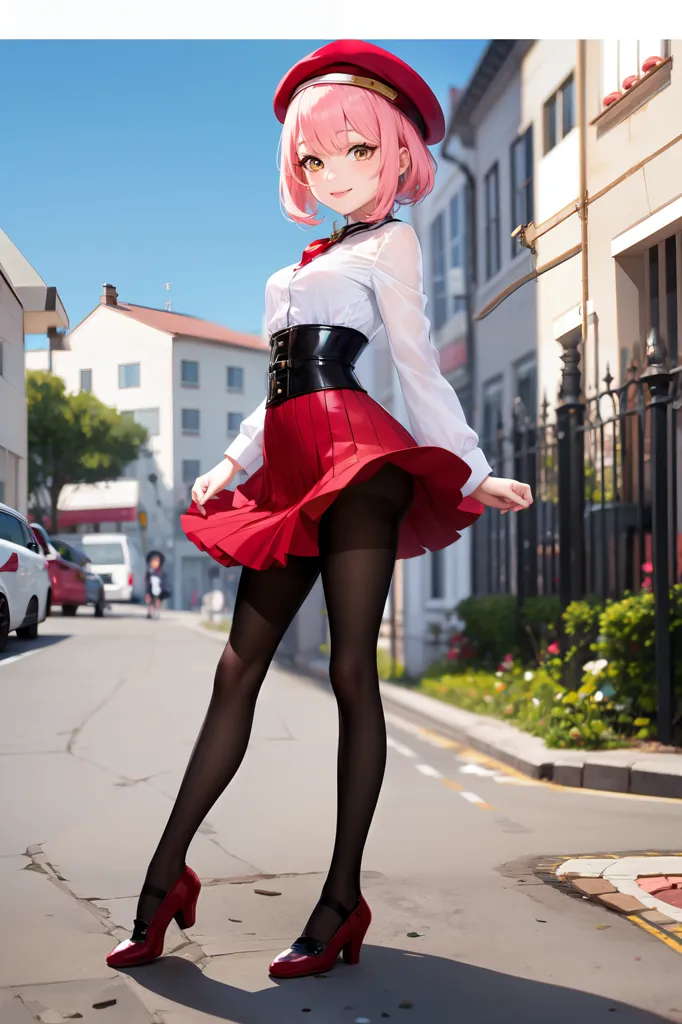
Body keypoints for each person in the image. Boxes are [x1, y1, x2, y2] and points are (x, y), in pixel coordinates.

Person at [106, 39, 533, 978]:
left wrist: (469, 468)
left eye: (358, 152)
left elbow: (414, 367)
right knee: (235, 671)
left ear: (397, 153)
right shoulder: (298, 266)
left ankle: (340, 900)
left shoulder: (394, 242)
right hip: (295, 464)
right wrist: (227, 462)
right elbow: (280, 387)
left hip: (361, 465)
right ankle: (162, 884)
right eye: (315, 158)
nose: (336, 172)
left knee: (350, 673)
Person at [144, 551, 167, 620]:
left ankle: (157, 612)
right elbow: (147, 579)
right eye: (153, 561)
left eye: (157, 561)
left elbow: (163, 580)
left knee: (157, 600)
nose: (155, 563)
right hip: (150, 588)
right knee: (149, 601)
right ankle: (149, 612)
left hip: (158, 588)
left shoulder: (160, 572)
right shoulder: (149, 571)